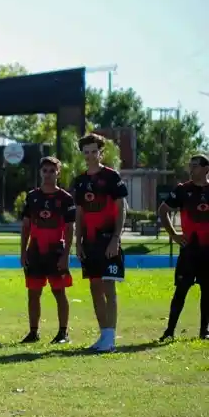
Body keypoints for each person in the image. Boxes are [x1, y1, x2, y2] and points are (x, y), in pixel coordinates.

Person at [72, 133, 128, 353]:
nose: (90, 156)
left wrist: (116, 238)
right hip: (90, 242)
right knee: (95, 288)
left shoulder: (112, 177)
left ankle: (111, 337)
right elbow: (79, 213)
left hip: (108, 240)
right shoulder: (80, 181)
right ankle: (103, 334)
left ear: (101, 152)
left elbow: (122, 208)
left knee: (108, 288)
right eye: (86, 152)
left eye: (94, 151)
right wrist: (78, 241)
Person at [19, 156, 76, 344]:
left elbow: (69, 229)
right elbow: (26, 225)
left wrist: (66, 254)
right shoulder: (32, 196)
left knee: (59, 292)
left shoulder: (65, 199)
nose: (48, 174)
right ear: (40, 172)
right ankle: (33, 332)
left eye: (52, 171)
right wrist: (23, 251)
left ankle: (63, 333)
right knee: (33, 293)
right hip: (35, 250)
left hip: (55, 251)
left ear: (58, 173)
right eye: (45, 171)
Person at [157, 152, 209, 341]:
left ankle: (205, 331)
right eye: (190, 165)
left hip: (207, 250)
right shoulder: (182, 190)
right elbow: (163, 210)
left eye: (195, 165)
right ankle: (170, 331)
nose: (191, 169)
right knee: (181, 290)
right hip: (189, 250)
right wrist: (174, 234)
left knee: (207, 291)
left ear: (206, 169)